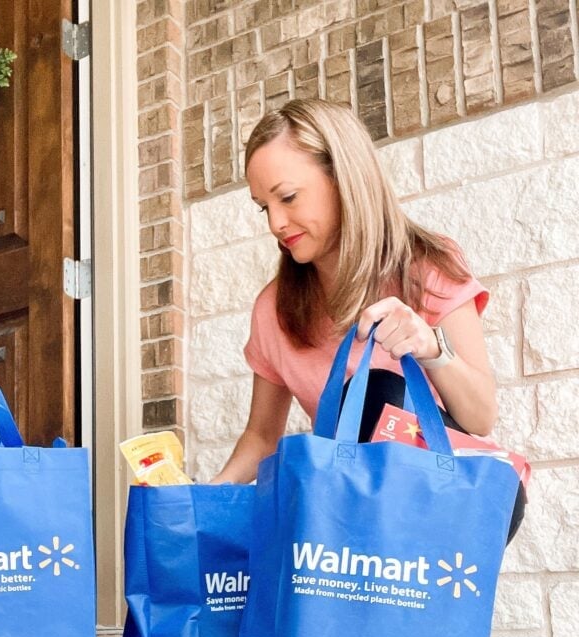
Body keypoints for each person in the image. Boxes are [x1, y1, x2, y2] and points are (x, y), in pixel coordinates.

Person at [211, 99, 524, 539]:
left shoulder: (426, 268)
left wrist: (430, 348)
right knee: (299, 469)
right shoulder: (274, 309)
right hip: (350, 523)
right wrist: (206, 499)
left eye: (288, 197)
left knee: (379, 392)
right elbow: (262, 437)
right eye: (265, 207)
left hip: (448, 510)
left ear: (344, 178)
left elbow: (481, 418)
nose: (276, 224)